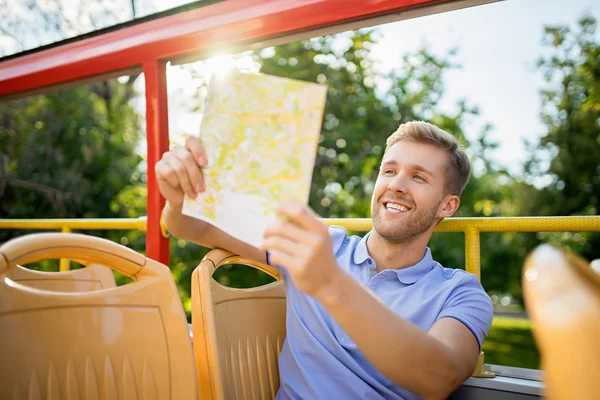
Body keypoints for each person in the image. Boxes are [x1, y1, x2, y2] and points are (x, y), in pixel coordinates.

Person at [156, 120, 493, 399]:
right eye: (389, 171)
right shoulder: (322, 245)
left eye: (418, 177)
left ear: (447, 206)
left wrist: (330, 282)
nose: (397, 186)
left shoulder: (461, 291)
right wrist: (178, 197)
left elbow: (439, 377)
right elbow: (192, 226)